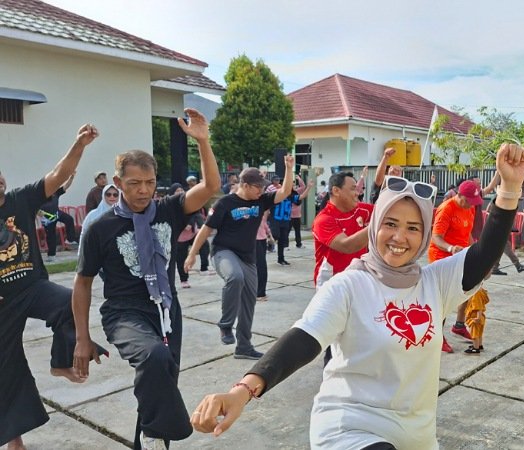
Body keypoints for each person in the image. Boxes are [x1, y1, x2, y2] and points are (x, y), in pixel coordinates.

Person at [190, 143, 524, 449]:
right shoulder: (348, 285)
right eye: (390, 223)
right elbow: (303, 339)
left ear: (424, 234)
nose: (400, 236)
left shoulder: (435, 282)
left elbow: (484, 254)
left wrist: (510, 189)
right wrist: (244, 390)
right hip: (351, 427)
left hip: (417, 434)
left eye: (413, 228)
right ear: (375, 225)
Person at [72, 109, 221, 450]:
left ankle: (151, 442)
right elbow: (82, 282)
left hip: (167, 310)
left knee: (159, 385)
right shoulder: (100, 227)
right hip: (124, 313)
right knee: (155, 359)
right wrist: (82, 337)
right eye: (134, 183)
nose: (143, 191)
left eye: (149, 182)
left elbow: (211, 186)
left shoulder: (169, 208)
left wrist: (202, 141)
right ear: (118, 182)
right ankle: (163, 434)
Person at [0, 125, 107, 450]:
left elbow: (60, 174)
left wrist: (79, 144)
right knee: (6, 369)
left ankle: (61, 361)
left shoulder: (21, 198)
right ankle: (13, 440)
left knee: (71, 302)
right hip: (3, 302)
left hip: (33, 286)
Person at [184, 161, 294, 359]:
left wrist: (289, 168)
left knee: (249, 301)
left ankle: (244, 346)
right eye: (258, 187)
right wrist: (192, 254)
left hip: (247, 256)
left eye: (263, 187)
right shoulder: (224, 203)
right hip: (223, 252)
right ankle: (225, 325)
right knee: (235, 277)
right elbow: (206, 229)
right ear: (245, 185)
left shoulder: (261, 200)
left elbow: (285, 191)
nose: (261, 191)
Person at [312, 170, 373, 365]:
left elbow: (385, 207)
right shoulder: (324, 220)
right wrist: (374, 227)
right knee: (334, 337)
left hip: (360, 280)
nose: (357, 193)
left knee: (358, 333)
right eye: (353, 188)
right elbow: (347, 246)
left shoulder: (361, 210)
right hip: (333, 285)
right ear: (336, 191)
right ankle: (331, 380)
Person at [428, 179, 483, 352]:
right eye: (469, 201)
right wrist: (451, 248)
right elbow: (436, 237)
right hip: (442, 256)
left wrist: (473, 250)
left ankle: (459, 325)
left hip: (461, 255)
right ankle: (437, 336)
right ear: (459, 195)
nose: (471, 205)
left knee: (467, 289)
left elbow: (466, 233)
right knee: (443, 299)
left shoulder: (470, 207)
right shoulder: (447, 209)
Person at [40, 173, 79, 261]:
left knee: (69, 219)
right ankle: (51, 255)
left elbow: (66, 186)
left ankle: (70, 239)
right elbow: (35, 207)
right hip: (47, 218)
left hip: (57, 213)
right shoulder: (41, 195)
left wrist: (71, 178)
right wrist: (40, 213)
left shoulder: (56, 192)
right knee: (51, 235)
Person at [464, 288, 489, 354]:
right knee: (479, 333)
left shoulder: (476, 293)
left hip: (475, 318)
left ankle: (475, 348)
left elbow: (478, 307)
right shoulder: (480, 291)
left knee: (474, 334)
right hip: (481, 317)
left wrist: (478, 318)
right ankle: (479, 345)